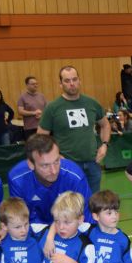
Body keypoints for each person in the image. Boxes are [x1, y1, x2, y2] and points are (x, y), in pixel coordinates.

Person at [37, 65, 111, 193]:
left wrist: (104, 145)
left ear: (79, 81)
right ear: (60, 84)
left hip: (93, 164)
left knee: (93, 204)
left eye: (74, 79)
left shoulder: (92, 103)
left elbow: (105, 125)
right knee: (71, 207)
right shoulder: (53, 108)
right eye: (67, 80)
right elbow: (41, 137)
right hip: (67, 166)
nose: (72, 83)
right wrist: (56, 156)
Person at [8, 134, 92, 225]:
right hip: (36, 232)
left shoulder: (75, 177)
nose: (54, 171)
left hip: (69, 231)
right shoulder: (17, 180)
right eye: (45, 165)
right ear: (31, 164)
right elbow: (20, 220)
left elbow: (87, 219)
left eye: (56, 161)